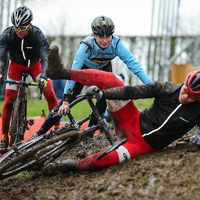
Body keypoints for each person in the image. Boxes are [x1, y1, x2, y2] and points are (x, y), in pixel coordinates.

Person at [42, 59, 200, 175]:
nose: (185, 95)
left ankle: (71, 165)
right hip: (132, 120)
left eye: (191, 96)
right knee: (111, 79)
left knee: (105, 159)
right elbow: (132, 91)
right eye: (185, 89)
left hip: (141, 145)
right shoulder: (166, 88)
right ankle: (62, 72)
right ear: (184, 82)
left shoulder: (197, 111)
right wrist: (105, 94)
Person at [34, 15, 152, 138]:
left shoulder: (116, 44)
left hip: (104, 69)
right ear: (93, 35)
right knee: (67, 102)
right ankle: (39, 133)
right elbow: (74, 71)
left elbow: (134, 66)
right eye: (101, 37)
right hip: (85, 70)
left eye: (108, 36)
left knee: (104, 98)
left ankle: (89, 135)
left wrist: (151, 85)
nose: (105, 40)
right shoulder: (86, 45)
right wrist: (65, 100)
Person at [0, 6, 60, 153]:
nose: (19, 31)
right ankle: (3, 137)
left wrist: (44, 77)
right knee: (8, 100)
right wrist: (0, 74)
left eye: (22, 27)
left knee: (49, 92)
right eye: (16, 27)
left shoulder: (38, 35)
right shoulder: (7, 34)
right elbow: (1, 57)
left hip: (35, 65)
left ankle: (58, 127)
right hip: (15, 65)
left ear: (30, 25)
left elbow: (45, 58)